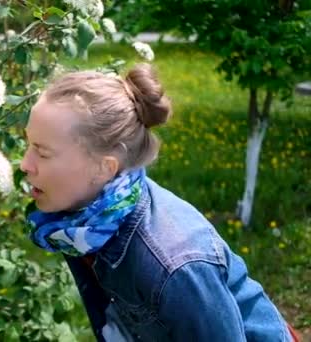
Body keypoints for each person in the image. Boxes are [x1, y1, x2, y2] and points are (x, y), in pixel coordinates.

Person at [20, 64, 297, 341]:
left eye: (42, 153)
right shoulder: (86, 221)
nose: (24, 164)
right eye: (28, 144)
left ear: (104, 168)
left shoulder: (174, 266)